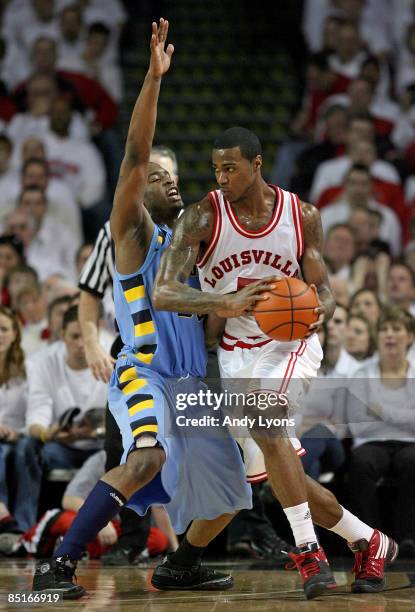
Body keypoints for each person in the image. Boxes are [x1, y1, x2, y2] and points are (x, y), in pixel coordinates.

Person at [32, 19, 253, 598]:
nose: (169, 181)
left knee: (235, 491)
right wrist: (154, 80)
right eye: (158, 177)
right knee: (147, 456)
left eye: (174, 175)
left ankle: (181, 564)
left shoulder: (191, 251)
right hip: (143, 371)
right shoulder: (132, 232)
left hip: (190, 379)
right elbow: (133, 154)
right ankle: (57, 566)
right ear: (139, 188)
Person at [153, 127, 398, 597]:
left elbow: (323, 289)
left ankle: (308, 553)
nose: (222, 177)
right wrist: (222, 301)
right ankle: (369, 542)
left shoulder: (301, 215)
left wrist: (318, 309)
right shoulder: (201, 217)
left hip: (291, 345)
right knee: (280, 478)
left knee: (265, 421)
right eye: (216, 168)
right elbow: (165, 291)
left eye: (231, 168)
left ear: (257, 164)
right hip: (236, 354)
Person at [346, 306, 415, 557]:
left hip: (411, 444)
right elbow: (356, 422)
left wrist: (381, 412)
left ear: (409, 336)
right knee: (360, 462)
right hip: (371, 443)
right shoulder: (361, 374)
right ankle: (368, 538)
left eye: (396, 329)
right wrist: (404, 417)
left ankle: (407, 537)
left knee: (413, 461)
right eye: (384, 329)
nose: (389, 335)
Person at [0, 306, 27, 535]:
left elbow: (39, 410)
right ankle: (3, 517)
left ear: (15, 333)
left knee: (19, 452)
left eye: (4, 329)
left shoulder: (29, 370)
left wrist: (19, 432)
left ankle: (21, 526)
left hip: (20, 437)